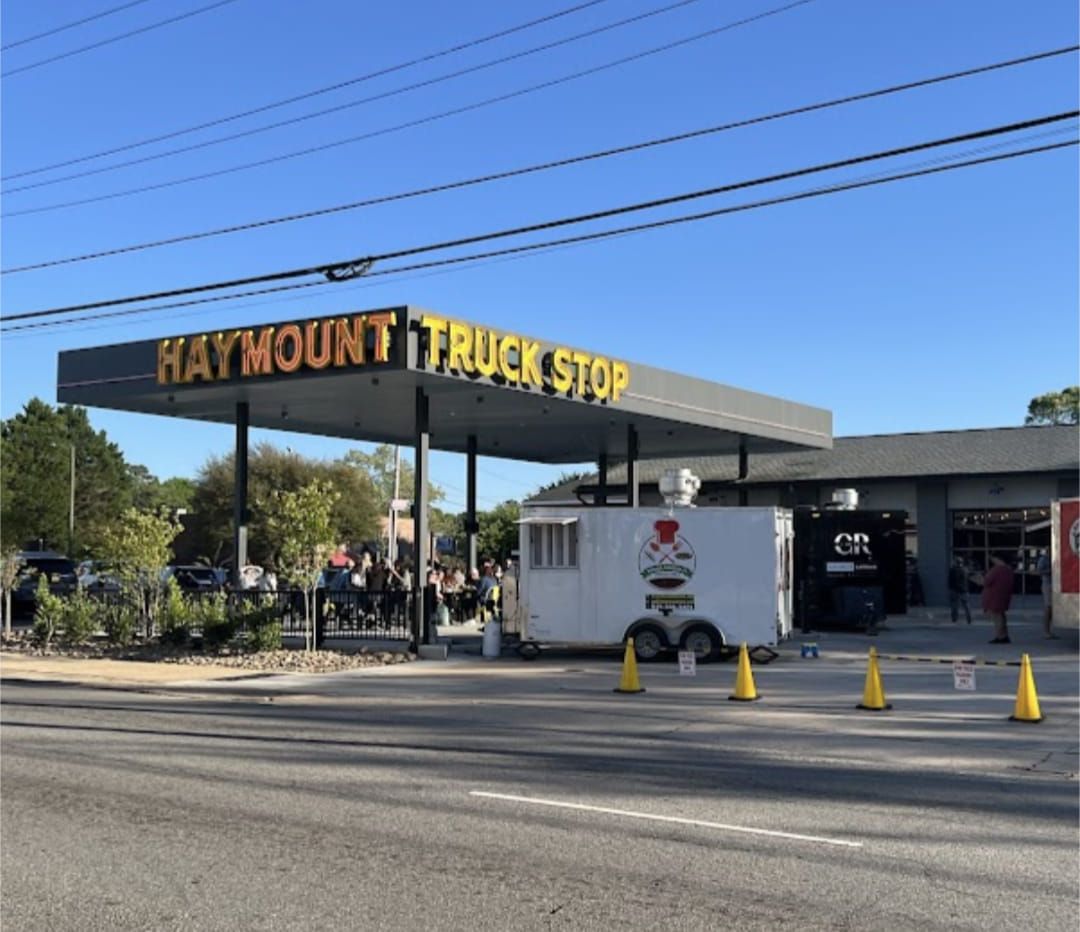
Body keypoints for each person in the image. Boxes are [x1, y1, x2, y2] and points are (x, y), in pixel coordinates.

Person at [978, 554, 1015, 644]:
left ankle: (1000, 636)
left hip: (994, 596)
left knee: (996, 617)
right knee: (1001, 616)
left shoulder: (996, 570)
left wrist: (978, 578)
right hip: (1004, 595)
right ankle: (1004, 635)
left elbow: (986, 581)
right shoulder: (1008, 570)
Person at [1036, 549, 1057, 639]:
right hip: (1047, 584)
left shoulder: (1057, 557)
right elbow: (1039, 571)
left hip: (1056, 584)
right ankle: (1046, 631)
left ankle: (1049, 631)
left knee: (1053, 608)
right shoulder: (1044, 559)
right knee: (1048, 607)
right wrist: (1051, 570)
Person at [947, 556, 971, 624]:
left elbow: (950, 581)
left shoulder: (952, 570)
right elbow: (967, 580)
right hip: (964, 590)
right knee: (966, 605)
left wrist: (950, 589)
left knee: (954, 606)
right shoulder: (965, 570)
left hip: (954, 590)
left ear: (955, 562)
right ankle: (969, 619)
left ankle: (954, 619)